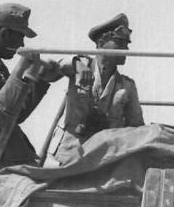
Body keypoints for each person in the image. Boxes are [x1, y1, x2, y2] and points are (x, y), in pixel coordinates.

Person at [0, 2, 91, 188]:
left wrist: (41, 79)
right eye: (20, 37)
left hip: (8, 154)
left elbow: (16, 114)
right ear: (4, 34)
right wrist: (22, 72)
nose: (22, 45)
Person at [57, 13, 144, 144]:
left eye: (126, 44)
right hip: (72, 149)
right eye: (120, 43)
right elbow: (56, 66)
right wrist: (77, 64)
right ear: (101, 43)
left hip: (106, 152)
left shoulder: (127, 85)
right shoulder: (78, 66)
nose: (126, 49)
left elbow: (137, 127)